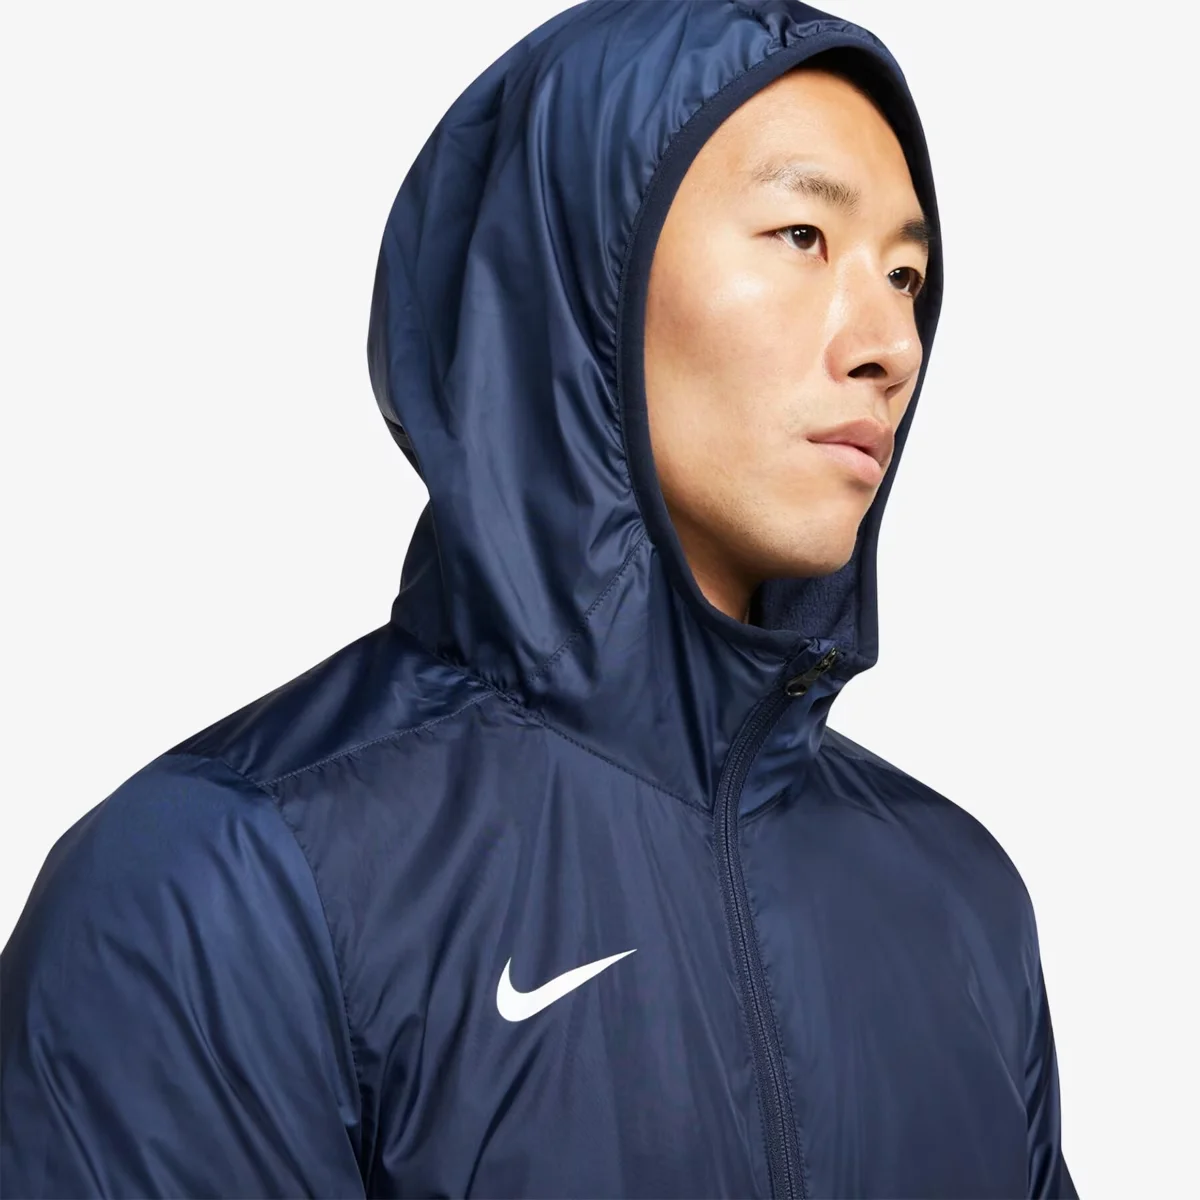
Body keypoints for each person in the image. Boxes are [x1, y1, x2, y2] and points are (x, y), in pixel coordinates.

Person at [0, 2, 1077, 1196]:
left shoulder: (960, 903)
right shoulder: (223, 887)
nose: (892, 344)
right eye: (800, 236)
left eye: (907, 273)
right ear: (574, 275)